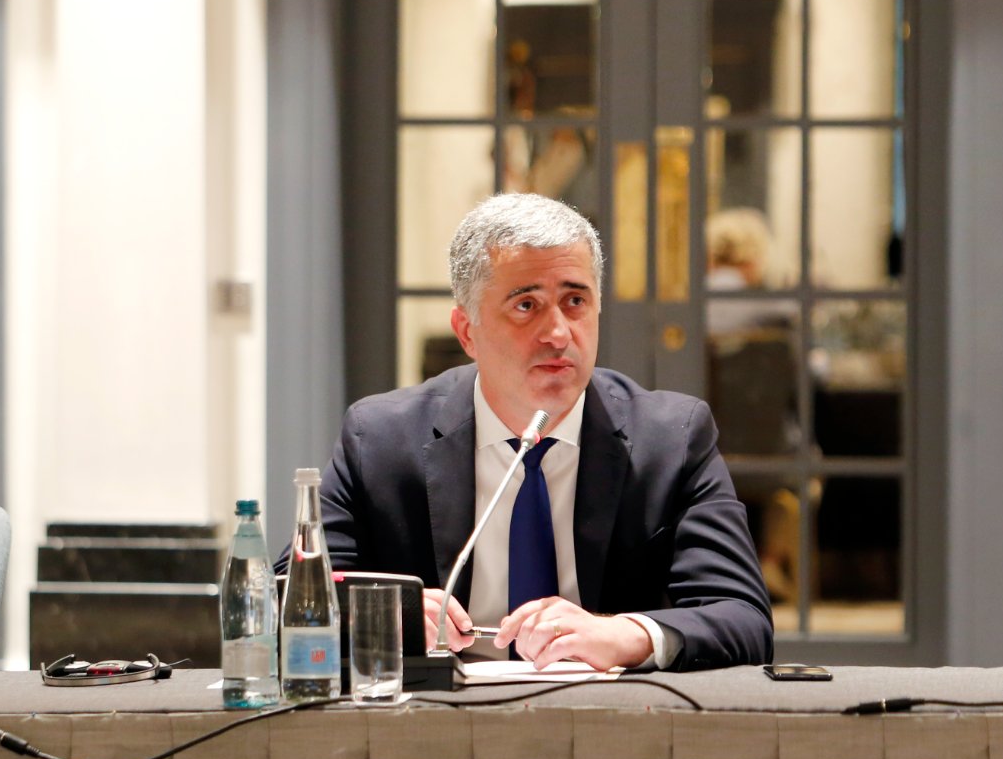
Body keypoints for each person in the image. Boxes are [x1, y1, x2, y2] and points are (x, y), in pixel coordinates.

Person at [319, 193, 773, 671]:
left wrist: (628, 634)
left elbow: (742, 619)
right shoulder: (381, 438)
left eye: (575, 301)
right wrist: (384, 616)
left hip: (611, 712)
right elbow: (296, 599)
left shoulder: (670, 439)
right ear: (467, 331)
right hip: (439, 710)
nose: (558, 333)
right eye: (526, 305)